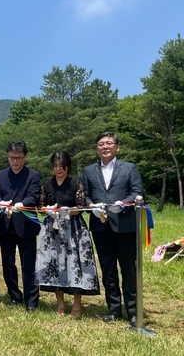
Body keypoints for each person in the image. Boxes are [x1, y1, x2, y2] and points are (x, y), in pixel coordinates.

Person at [81, 132, 143, 327]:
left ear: (117, 146)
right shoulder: (89, 170)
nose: (105, 146)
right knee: (108, 269)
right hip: (100, 225)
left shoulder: (129, 168)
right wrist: (91, 206)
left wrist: (124, 204)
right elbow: (84, 195)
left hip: (125, 226)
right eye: (101, 144)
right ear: (96, 148)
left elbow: (138, 192)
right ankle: (114, 309)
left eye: (109, 143)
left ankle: (133, 311)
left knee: (128, 269)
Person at [35, 151, 100, 317]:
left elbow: (80, 207)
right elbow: (41, 206)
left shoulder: (75, 183)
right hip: (52, 229)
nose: (58, 169)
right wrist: (47, 210)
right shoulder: (47, 184)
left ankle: (77, 305)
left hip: (74, 229)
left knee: (75, 264)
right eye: (55, 166)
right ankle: (61, 305)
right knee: (55, 264)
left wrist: (69, 211)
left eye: (61, 166)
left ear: (67, 166)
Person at [0, 140, 41, 312]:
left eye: (19, 158)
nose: (15, 161)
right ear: (8, 157)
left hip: (26, 225)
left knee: (28, 264)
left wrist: (21, 204)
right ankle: (15, 296)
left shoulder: (33, 175)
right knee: (8, 264)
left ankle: (32, 300)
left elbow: (33, 195)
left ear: (25, 157)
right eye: (12, 158)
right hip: (5, 224)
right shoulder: (0, 175)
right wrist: (0, 202)